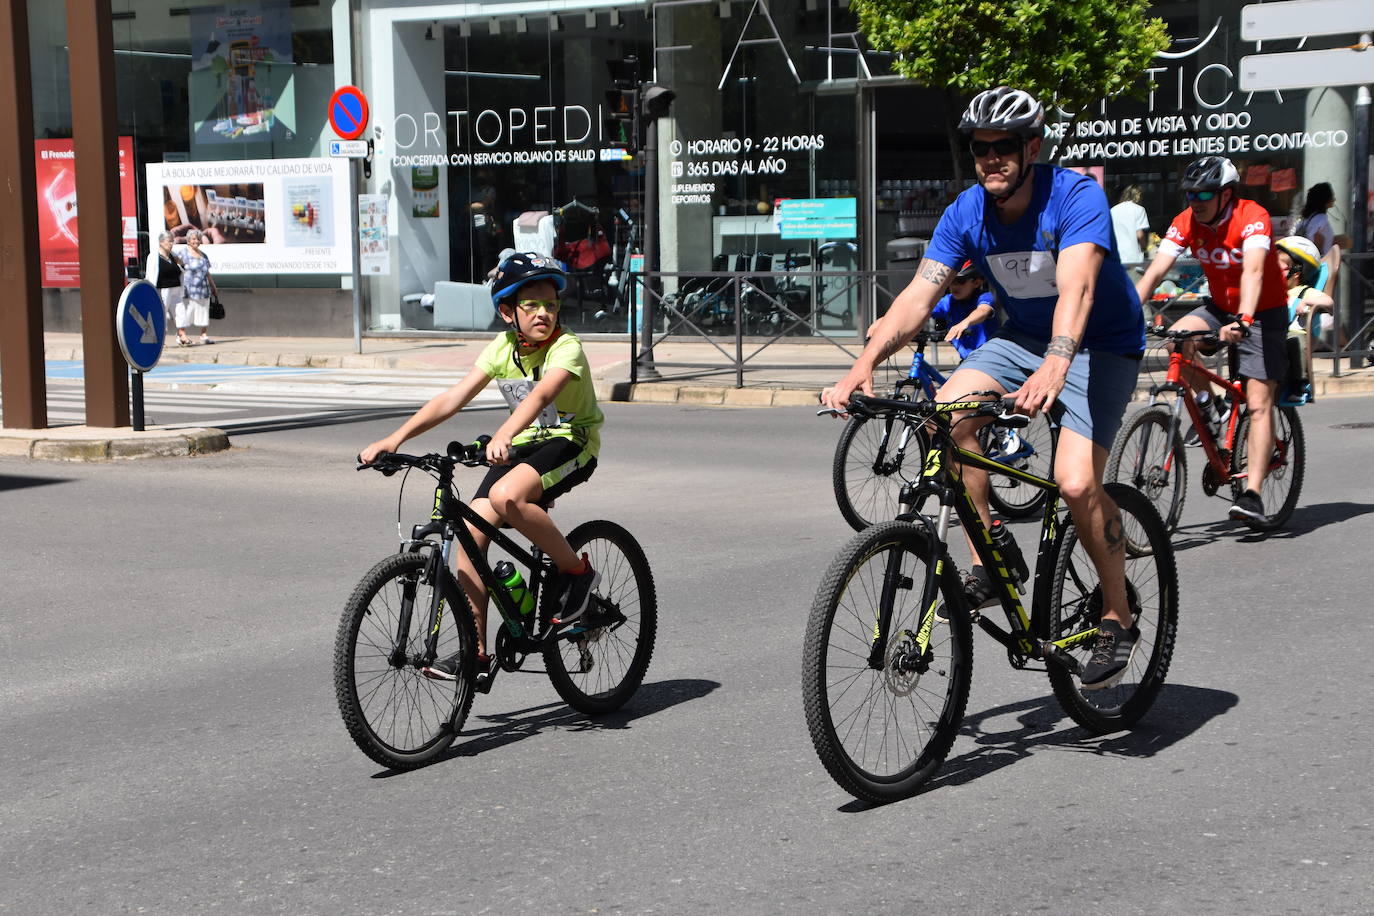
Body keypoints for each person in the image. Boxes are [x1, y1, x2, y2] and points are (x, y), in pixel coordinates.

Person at [822, 86, 1147, 691]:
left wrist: (1057, 362)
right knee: (944, 416)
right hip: (1021, 339)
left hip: (1097, 346)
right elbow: (918, 297)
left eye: (1003, 147)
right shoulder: (966, 211)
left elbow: (1076, 290)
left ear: (1032, 147)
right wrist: (861, 363)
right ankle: (990, 559)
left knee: (1076, 482)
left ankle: (1116, 616)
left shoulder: (1075, 197)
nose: (991, 159)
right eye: (980, 148)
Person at [359, 252, 604, 682]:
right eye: (532, 305)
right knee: (470, 539)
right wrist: (394, 439)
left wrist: (504, 434)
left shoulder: (568, 347)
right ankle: (476, 654)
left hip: (572, 440)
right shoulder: (503, 348)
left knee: (506, 496)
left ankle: (577, 572)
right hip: (525, 443)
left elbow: (541, 397)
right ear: (508, 310)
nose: (543, 313)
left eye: (550, 304)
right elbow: (452, 399)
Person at [1134, 156, 1289, 527]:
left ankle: (1252, 496)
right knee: (1178, 340)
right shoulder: (1186, 221)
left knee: (1258, 401)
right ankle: (1210, 405)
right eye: (1190, 194)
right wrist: (1125, 313)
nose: (1196, 200)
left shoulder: (1252, 216)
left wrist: (1246, 320)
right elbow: (1156, 270)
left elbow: (1253, 270)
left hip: (1262, 311)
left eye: (1205, 193)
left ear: (1227, 194)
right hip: (1219, 306)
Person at [1275, 235, 1340, 348]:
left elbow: (1329, 302)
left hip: (1293, 341)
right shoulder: (1275, 291)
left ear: (1296, 272)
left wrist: (1306, 301)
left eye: (1278, 269)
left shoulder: (1305, 292)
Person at [931, 260, 999, 360]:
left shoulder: (984, 297)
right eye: (951, 281)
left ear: (976, 282)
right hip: (967, 359)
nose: (954, 286)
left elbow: (983, 311)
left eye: (960, 281)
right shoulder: (949, 300)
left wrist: (964, 323)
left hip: (989, 359)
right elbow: (924, 310)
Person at [175, 229, 217, 346]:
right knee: (187, 313)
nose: (196, 241)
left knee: (203, 311)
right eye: (193, 239)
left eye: (198, 239)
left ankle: (203, 335)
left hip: (203, 289)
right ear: (188, 241)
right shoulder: (183, 253)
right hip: (189, 290)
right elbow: (176, 270)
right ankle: (181, 335)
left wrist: (213, 286)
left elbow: (207, 273)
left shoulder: (203, 255)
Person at [144, 231, 183, 333]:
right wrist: (152, 291)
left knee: (180, 311)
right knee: (162, 313)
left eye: (172, 241)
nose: (171, 244)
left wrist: (180, 263)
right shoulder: (153, 257)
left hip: (176, 287)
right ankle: (161, 337)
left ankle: (182, 335)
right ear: (161, 242)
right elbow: (150, 275)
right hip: (163, 289)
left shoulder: (173, 256)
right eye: (169, 241)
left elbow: (181, 269)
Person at [1110, 184, 1151, 273]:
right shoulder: (1139, 210)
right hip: (1133, 257)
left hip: (1117, 256)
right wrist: (1145, 248)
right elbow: (1140, 235)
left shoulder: (1113, 210)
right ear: (1138, 196)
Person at [1294, 182, 1336, 255]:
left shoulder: (1306, 218)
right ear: (1325, 199)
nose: (1334, 199)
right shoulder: (1321, 219)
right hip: (1318, 261)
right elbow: (1316, 241)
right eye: (1332, 196)